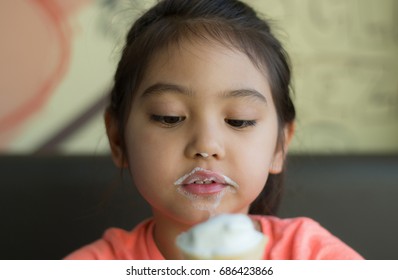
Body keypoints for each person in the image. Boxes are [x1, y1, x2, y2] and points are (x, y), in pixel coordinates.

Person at [65, 0, 363, 260]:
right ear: (117, 139)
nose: (206, 145)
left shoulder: (314, 259)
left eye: (239, 121)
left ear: (279, 145)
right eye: (169, 117)